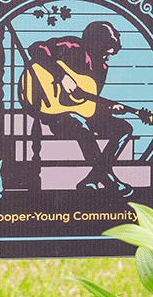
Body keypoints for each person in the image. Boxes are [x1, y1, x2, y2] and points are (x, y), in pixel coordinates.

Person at [17, 21, 133, 196]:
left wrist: (109, 108)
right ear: (95, 45)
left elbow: (86, 103)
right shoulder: (71, 46)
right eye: (105, 53)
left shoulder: (101, 69)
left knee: (124, 128)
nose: (107, 58)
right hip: (47, 106)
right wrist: (61, 76)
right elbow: (35, 49)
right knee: (80, 125)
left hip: (74, 110)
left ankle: (93, 179)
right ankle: (109, 180)